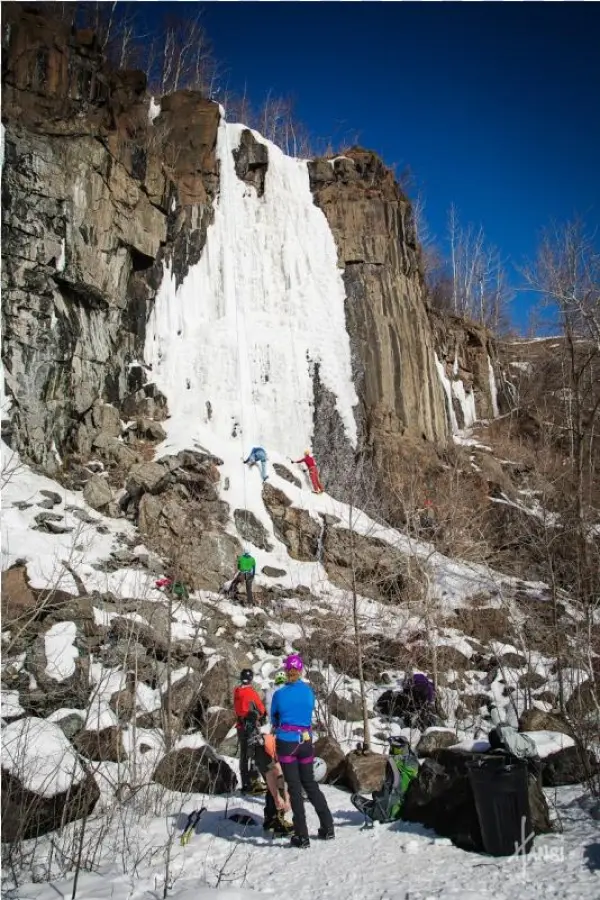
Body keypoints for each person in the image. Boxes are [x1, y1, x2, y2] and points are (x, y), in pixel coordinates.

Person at [271, 654, 334, 848]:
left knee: (295, 788)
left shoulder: (279, 694)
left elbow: (274, 719)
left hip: (287, 743)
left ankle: (302, 835)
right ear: (300, 671)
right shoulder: (308, 692)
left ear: (286, 671)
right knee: (310, 784)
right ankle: (327, 827)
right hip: (306, 743)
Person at [351, 736, 419, 823]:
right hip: (406, 808)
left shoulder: (393, 762)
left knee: (355, 798)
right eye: (392, 748)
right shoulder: (413, 761)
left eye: (396, 749)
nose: (392, 751)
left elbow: (392, 786)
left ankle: (386, 811)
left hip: (388, 811)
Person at [253, 726, 293, 837]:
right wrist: (279, 798)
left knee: (279, 785)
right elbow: (275, 774)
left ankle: (270, 818)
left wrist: (286, 797)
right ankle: (276, 822)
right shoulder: (280, 746)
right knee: (277, 784)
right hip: (262, 751)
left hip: (264, 748)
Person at [233, 668, 266, 794]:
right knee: (254, 754)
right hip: (250, 727)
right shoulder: (251, 692)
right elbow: (261, 709)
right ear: (251, 679)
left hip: (240, 726)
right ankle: (254, 782)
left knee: (243, 756)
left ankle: (245, 783)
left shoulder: (236, 691)